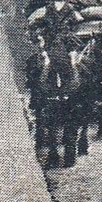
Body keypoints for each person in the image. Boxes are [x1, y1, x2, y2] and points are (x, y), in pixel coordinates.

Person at [25, 32, 80, 169]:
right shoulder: (42, 62)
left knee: (69, 128)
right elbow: (41, 83)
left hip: (68, 98)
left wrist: (66, 93)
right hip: (53, 98)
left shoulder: (69, 63)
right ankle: (54, 155)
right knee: (52, 128)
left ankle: (69, 156)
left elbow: (75, 82)